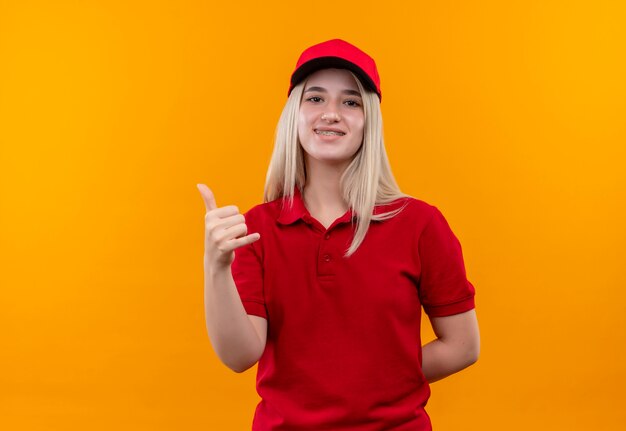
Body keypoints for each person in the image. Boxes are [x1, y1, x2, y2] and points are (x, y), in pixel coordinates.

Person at [197, 39, 480, 431]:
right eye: (315, 98)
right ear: (294, 114)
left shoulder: (421, 224)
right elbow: (239, 356)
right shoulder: (257, 229)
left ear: (370, 121)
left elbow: (463, 346)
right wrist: (217, 265)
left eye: (351, 102)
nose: (331, 113)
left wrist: (375, 381)